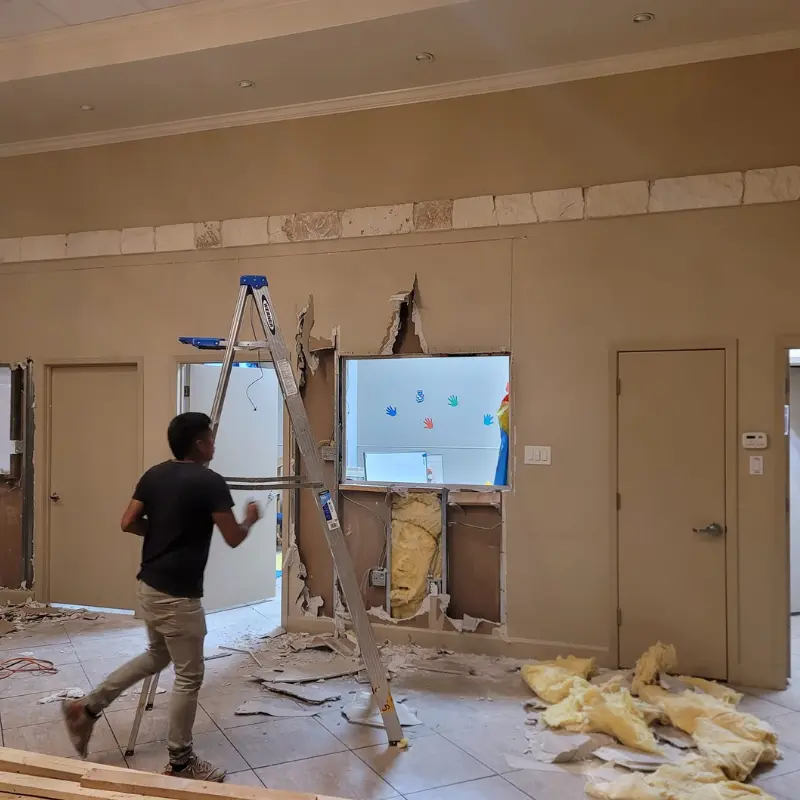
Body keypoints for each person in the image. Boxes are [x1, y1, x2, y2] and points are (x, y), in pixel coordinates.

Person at [62, 412, 261, 782]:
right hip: (178, 597)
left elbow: (128, 522)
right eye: (211, 439)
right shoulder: (210, 482)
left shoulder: (154, 475)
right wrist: (250, 518)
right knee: (189, 676)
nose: (214, 444)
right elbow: (233, 537)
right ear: (200, 444)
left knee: (157, 655)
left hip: (149, 586)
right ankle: (182, 762)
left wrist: (162, 533)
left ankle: (85, 708)